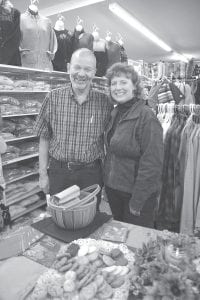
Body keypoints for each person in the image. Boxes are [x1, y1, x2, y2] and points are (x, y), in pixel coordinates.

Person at [34, 48, 112, 209]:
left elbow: (110, 143)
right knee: (59, 220)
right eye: (77, 67)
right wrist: (43, 175)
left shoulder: (105, 103)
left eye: (87, 69)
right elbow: (44, 137)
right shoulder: (53, 98)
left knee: (90, 219)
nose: (81, 74)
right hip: (59, 173)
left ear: (94, 72)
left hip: (91, 174)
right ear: (69, 67)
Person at [104, 63, 164, 228]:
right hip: (114, 192)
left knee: (137, 243)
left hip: (136, 197)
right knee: (120, 238)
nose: (118, 87)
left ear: (134, 86)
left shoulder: (146, 117)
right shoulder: (115, 112)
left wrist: (137, 202)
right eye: (114, 83)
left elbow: (152, 164)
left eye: (123, 82)